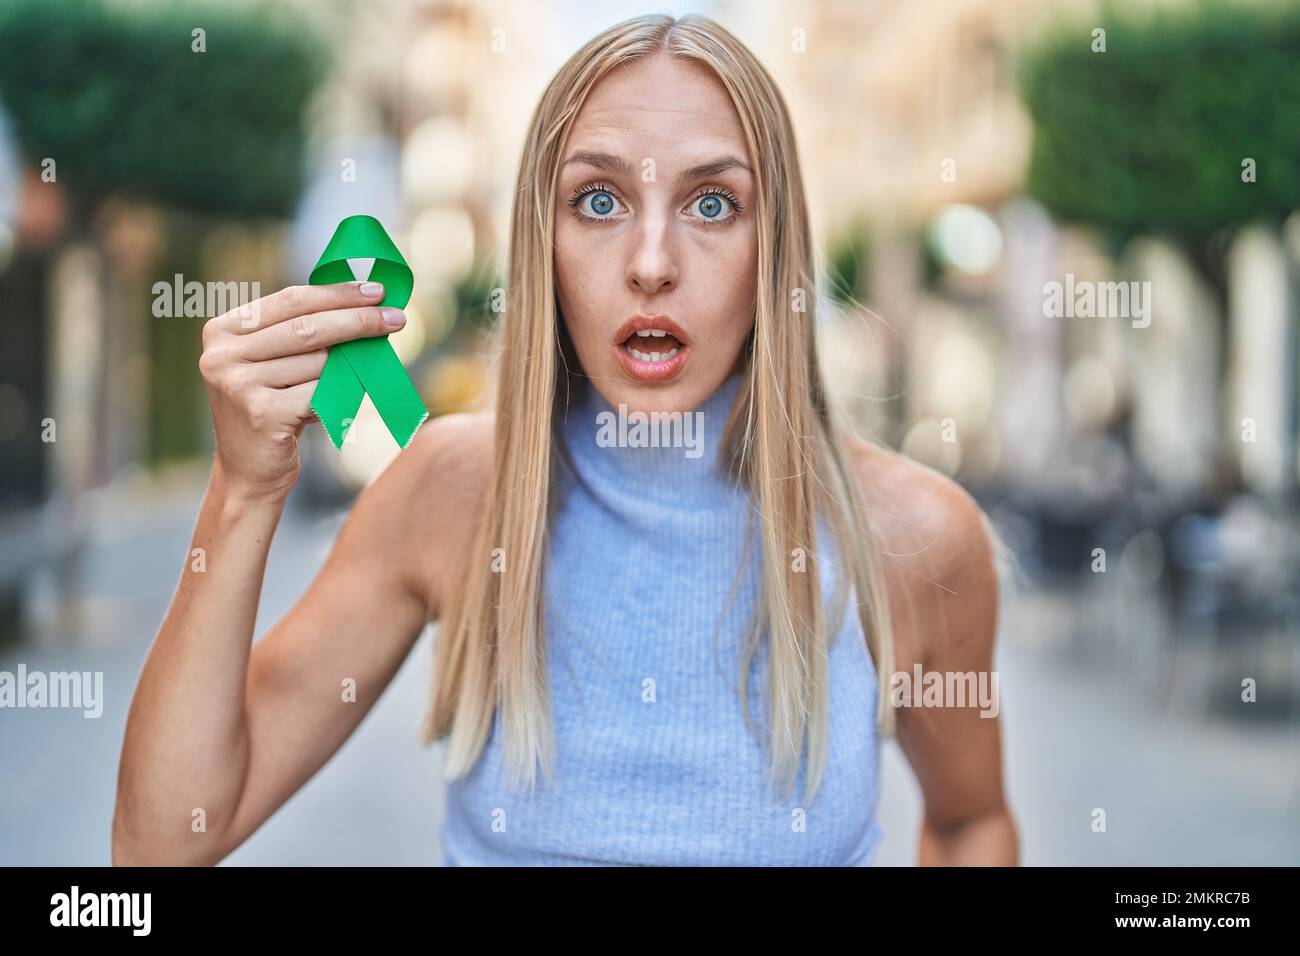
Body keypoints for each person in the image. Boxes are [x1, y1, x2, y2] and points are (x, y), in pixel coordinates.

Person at [113, 13, 1017, 866]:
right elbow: (164, 842)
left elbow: (972, 821)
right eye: (597, 199)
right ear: (541, 242)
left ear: (773, 246)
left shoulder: (913, 538)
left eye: (712, 205)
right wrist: (242, 491)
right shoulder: (454, 490)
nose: (652, 263)